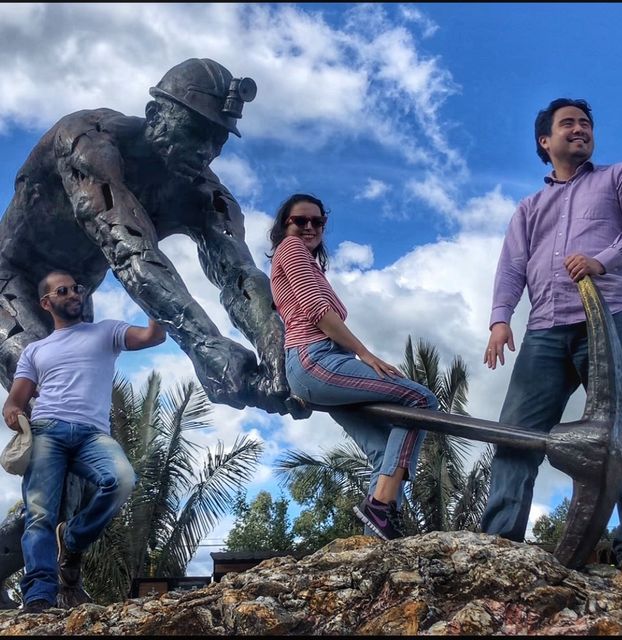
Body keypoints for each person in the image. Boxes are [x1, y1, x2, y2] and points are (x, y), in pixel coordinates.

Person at [0, 57, 289, 417]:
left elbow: (239, 275)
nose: (205, 152)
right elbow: (130, 251)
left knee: (84, 414)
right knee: (51, 396)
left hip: (72, 294)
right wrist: (205, 346)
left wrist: (277, 347)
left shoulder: (202, 190)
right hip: (9, 279)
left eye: (217, 142)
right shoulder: (86, 139)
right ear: (154, 114)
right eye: (195, 132)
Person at [481, 97, 622, 574]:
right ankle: (499, 543)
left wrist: (603, 259)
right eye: (567, 123)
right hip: (545, 330)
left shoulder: (619, 177)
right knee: (516, 434)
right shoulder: (529, 208)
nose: (580, 129)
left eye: (586, 123)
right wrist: (500, 318)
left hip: (611, 318)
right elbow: (511, 267)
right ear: (544, 142)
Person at [268, 193, 439, 541]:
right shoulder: (291, 249)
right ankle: (381, 506)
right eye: (300, 220)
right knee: (420, 401)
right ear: (284, 225)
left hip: (321, 363)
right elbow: (316, 310)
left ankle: (377, 539)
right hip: (315, 358)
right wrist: (365, 354)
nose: (309, 227)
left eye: (318, 222)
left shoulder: (310, 265)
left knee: (381, 448)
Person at [3, 270, 166, 614]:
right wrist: (13, 411)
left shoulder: (106, 331)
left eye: (77, 288)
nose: (74, 294)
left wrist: (155, 299)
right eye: (64, 290)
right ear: (46, 303)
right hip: (48, 430)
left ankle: (73, 539)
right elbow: (16, 399)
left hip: (93, 435)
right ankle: (39, 595)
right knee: (39, 515)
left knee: (122, 481)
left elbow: (152, 336)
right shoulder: (36, 350)